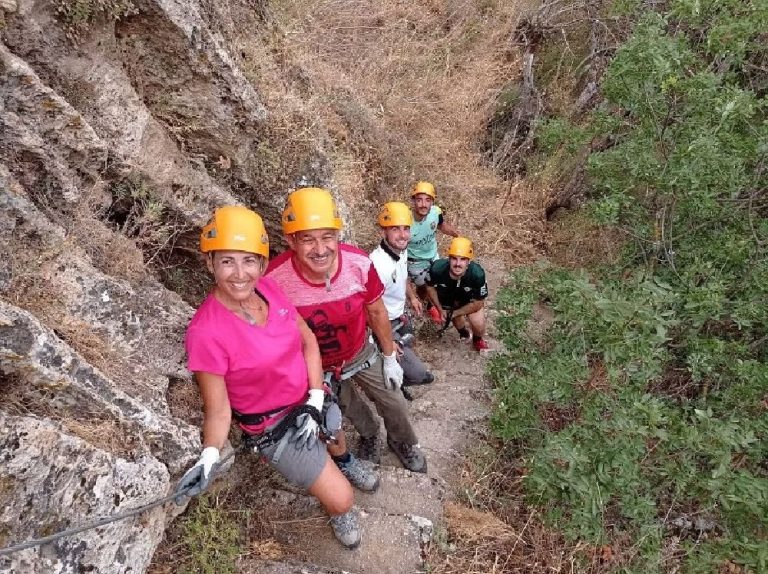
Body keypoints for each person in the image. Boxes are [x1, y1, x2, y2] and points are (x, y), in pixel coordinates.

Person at [178, 205, 379, 550]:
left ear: (261, 263)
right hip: (275, 426)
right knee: (342, 499)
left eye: (249, 260)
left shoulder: (268, 290)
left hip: (309, 397)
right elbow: (219, 410)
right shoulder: (206, 332)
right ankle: (338, 510)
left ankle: (344, 461)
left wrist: (315, 397)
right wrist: (209, 454)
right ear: (210, 263)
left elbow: (308, 341)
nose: (239, 273)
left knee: (336, 435)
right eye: (227, 261)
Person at [266, 187, 427, 473]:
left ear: (338, 236)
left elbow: (376, 311)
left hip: (359, 350)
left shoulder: (358, 264)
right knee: (349, 405)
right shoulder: (275, 280)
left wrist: (389, 357)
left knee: (394, 400)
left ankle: (401, 440)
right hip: (317, 363)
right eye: (308, 240)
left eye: (327, 237)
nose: (320, 249)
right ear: (291, 240)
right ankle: (369, 434)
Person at [369, 201, 434, 388]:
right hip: (384, 323)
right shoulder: (378, 265)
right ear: (384, 232)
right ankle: (385, 375)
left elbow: (403, 275)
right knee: (420, 376)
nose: (403, 235)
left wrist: (412, 297)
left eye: (406, 228)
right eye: (395, 229)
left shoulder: (401, 251)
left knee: (409, 338)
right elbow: (370, 311)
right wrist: (388, 342)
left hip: (398, 316)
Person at [406, 181, 460, 323]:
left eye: (427, 200)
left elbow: (441, 225)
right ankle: (423, 304)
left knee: (437, 282)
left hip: (433, 254)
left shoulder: (435, 212)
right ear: (413, 201)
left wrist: (457, 236)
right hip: (415, 261)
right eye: (419, 200)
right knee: (424, 286)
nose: (423, 204)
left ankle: (429, 304)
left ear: (432, 202)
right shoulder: (406, 222)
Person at [425, 237, 490, 353]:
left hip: (469, 300)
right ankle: (463, 333)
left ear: (469, 261)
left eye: (463, 259)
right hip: (447, 298)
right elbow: (429, 287)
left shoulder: (477, 274)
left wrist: (455, 313)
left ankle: (477, 339)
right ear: (448, 258)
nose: (458, 264)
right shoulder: (437, 269)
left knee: (478, 323)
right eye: (454, 259)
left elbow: (479, 302)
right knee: (456, 319)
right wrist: (439, 308)